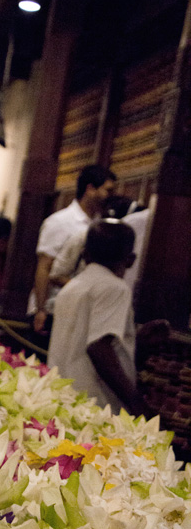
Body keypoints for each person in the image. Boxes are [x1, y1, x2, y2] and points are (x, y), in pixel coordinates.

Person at [48, 219, 168, 415]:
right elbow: (98, 347)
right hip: (95, 406)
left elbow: (80, 339)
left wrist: (137, 340)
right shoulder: (115, 288)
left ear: (85, 255)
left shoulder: (72, 286)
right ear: (131, 260)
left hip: (62, 397)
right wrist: (136, 402)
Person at [32, 164, 116, 335]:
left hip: (82, 311)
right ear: (90, 189)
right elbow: (44, 267)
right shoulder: (60, 221)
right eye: (107, 190)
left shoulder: (101, 224)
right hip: (54, 306)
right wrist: (41, 309)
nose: (110, 197)